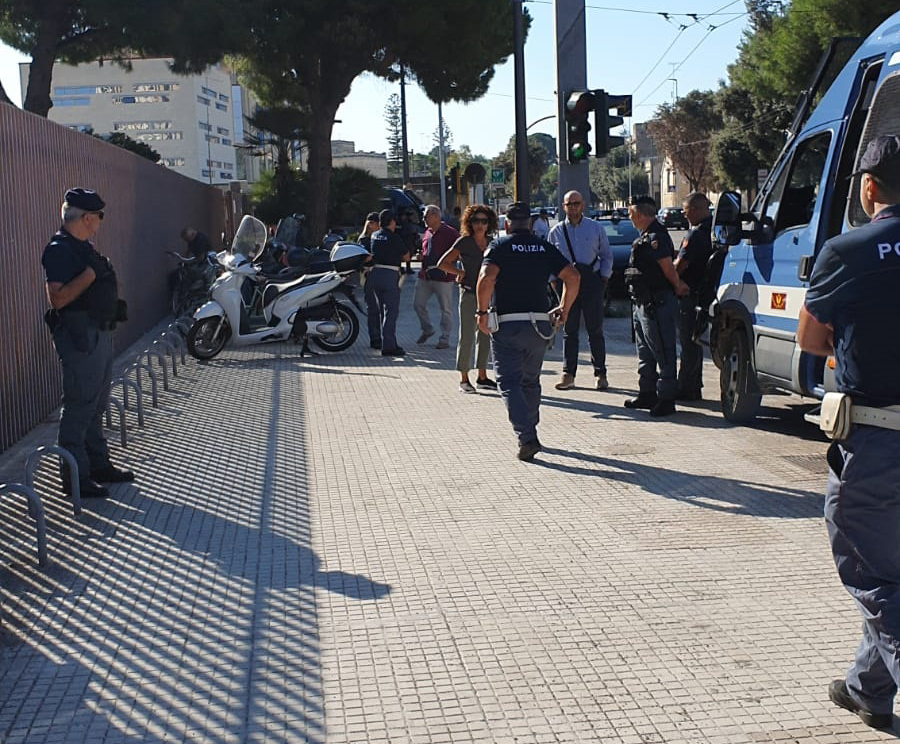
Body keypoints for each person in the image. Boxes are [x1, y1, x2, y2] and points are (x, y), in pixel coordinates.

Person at [797, 134, 900, 731]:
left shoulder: (848, 251)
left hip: (879, 440)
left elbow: (811, 340)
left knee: (869, 568)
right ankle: (868, 689)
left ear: (867, 187)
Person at [42, 188, 134, 499]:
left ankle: (98, 464)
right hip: (80, 337)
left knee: (96, 405)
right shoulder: (59, 250)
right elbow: (57, 298)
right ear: (85, 218)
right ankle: (75, 478)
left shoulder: (82, 248)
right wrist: (91, 275)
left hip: (99, 333)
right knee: (79, 406)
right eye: (99, 216)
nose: (100, 222)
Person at [476, 202, 580, 461]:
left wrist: (481, 312)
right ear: (531, 224)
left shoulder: (499, 246)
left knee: (508, 381)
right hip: (539, 325)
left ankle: (527, 436)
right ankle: (531, 427)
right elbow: (573, 277)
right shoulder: (544, 246)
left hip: (508, 324)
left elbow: (486, 278)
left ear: (507, 224)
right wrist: (564, 308)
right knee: (530, 381)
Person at [623, 195, 689, 417]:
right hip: (642, 301)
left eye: (631, 214)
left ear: (640, 215)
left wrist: (678, 285)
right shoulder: (645, 236)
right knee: (645, 351)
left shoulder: (656, 237)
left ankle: (666, 398)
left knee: (663, 350)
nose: (630, 218)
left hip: (657, 302)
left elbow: (667, 267)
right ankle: (647, 393)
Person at [548, 190, 613, 391]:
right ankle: (568, 374)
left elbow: (606, 255)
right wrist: (553, 282)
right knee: (569, 330)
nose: (573, 207)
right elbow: (549, 260)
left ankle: (600, 373)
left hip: (591, 282)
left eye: (576, 203)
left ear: (582, 205)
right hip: (567, 285)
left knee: (595, 330)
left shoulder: (595, 228)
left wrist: (603, 278)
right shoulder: (556, 232)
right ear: (563, 206)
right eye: (569, 204)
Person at [436, 204, 498, 393]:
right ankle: (464, 379)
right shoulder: (464, 242)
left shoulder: (492, 242)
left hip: (487, 295)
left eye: (484, 221)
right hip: (469, 293)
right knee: (467, 336)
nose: (480, 225)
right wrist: (459, 272)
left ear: (489, 223)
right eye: (476, 221)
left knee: (485, 334)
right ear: (469, 223)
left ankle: (482, 376)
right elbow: (442, 263)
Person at [673, 192, 713, 400]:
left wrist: (670, 279)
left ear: (695, 210)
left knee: (688, 342)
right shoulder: (715, 231)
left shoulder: (695, 234)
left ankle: (686, 387)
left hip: (690, 293)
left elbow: (680, 265)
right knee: (695, 341)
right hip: (706, 294)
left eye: (685, 210)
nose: (683, 214)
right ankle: (693, 385)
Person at [414, 204, 459, 349]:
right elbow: (426, 250)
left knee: (445, 309)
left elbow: (460, 251)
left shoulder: (450, 233)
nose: (423, 219)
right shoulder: (427, 232)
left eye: (426, 216)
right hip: (425, 275)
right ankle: (427, 329)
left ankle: (444, 338)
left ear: (435, 216)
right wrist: (421, 256)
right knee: (418, 304)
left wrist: (452, 266)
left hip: (443, 277)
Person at [368, 209, 409, 357]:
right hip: (390, 274)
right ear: (391, 222)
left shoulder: (374, 236)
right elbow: (406, 256)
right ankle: (389, 345)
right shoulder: (394, 237)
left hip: (375, 274)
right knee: (391, 311)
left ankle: (383, 340)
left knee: (380, 311)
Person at [357, 212, 381, 349]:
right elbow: (363, 259)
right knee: (373, 308)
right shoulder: (364, 240)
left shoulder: (378, 238)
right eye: (371, 223)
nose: (372, 225)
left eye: (375, 223)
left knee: (378, 308)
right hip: (368, 275)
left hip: (378, 274)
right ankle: (375, 338)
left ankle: (380, 336)